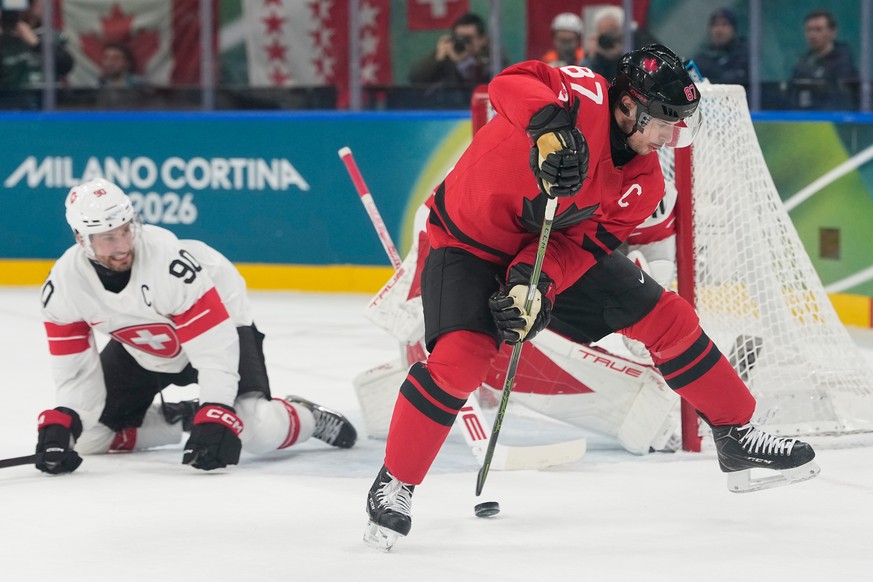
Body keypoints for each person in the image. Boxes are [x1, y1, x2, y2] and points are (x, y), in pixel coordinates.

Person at [363, 44, 820, 551]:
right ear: (628, 108)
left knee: (666, 316)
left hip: (538, 254)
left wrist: (532, 283)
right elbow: (508, 84)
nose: (670, 137)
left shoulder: (643, 184)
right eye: (664, 122)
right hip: (466, 241)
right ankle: (396, 482)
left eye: (678, 125)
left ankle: (735, 432)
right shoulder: (580, 94)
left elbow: (580, 247)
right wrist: (551, 128)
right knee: (460, 361)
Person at [36, 178, 357, 475]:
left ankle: (306, 417)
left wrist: (216, 407)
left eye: (125, 230)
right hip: (145, 347)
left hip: (221, 325)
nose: (122, 245)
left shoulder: (168, 263)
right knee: (89, 438)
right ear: (82, 239)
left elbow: (215, 347)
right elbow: (76, 371)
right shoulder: (64, 286)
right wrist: (68, 417)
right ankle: (183, 417)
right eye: (108, 237)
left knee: (255, 430)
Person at [0, 0, 73, 109]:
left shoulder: (51, 36)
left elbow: (66, 65)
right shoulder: (3, 41)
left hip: (47, 102)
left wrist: (36, 43)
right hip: (9, 105)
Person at [788, 9, 857, 110]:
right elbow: (791, 96)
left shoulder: (844, 64)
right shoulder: (802, 64)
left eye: (818, 29)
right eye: (809, 30)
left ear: (832, 32)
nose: (813, 35)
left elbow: (843, 100)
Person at [408, 12, 494, 88]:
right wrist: (437, 58)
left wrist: (477, 64)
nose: (463, 43)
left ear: (482, 39)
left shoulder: (493, 59)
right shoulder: (445, 60)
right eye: (459, 38)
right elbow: (416, 79)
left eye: (468, 38)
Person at [581, 6, 658, 80]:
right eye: (604, 35)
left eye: (611, 32)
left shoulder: (640, 41)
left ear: (623, 29)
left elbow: (649, 70)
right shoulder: (598, 51)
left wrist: (621, 56)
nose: (608, 39)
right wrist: (592, 57)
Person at [692, 7, 748, 86]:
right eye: (715, 25)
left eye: (724, 24)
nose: (719, 30)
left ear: (734, 29)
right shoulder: (701, 59)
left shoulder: (745, 55)